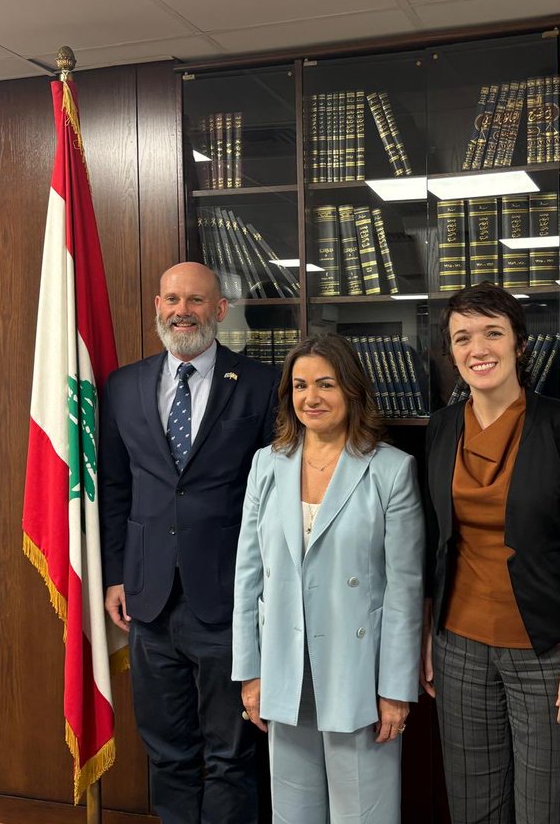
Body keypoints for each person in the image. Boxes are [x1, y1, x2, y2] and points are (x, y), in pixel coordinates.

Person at [420, 282, 560, 824]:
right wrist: (425, 634)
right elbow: (432, 543)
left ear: (519, 344)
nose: (478, 349)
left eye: (492, 333)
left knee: (551, 811)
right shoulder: (440, 428)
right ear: (451, 352)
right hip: (458, 649)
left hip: (550, 653)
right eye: (463, 337)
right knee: (473, 809)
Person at [100, 262, 279, 824]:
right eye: (173, 300)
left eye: (196, 300)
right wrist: (114, 574)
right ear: (158, 306)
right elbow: (115, 488)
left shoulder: (261, 384)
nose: (183, 311)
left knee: (231, 754)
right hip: (148, 600)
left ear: (220, 310)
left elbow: (274, 494)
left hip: (227, 600)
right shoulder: (124, 385)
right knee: (167, 751)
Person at [233, 333, 424, 824]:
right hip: (284, 670)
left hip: (359, 675)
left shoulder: (391, 470)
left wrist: (395, 689)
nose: (311, 398)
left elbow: (404, 591)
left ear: (352, 390)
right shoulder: (266, 464)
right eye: (300, 386)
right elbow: (248, 577)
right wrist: (250, 672)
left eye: (326, 384)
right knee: (292, 814)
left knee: (363, 815)